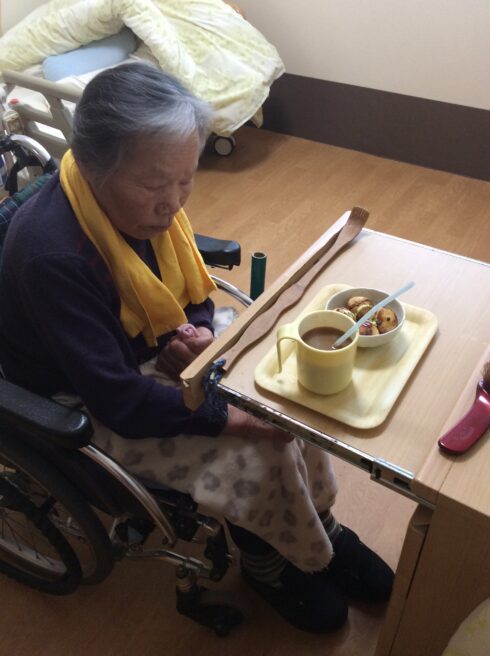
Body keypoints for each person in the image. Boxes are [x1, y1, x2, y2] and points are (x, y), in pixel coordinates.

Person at [0, 62, 393, 633]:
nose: (174, 203)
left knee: (285, 387)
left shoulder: (137, 204)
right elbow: (118, 401)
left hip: (136, 350)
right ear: (91, 165)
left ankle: (320, 526)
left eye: (186, 179)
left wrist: (198, 330)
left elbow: (187, 289)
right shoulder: (53, 256)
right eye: (156, 185)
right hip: (80, 395)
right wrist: (225, 417)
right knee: (257, 445)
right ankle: (266, 563)